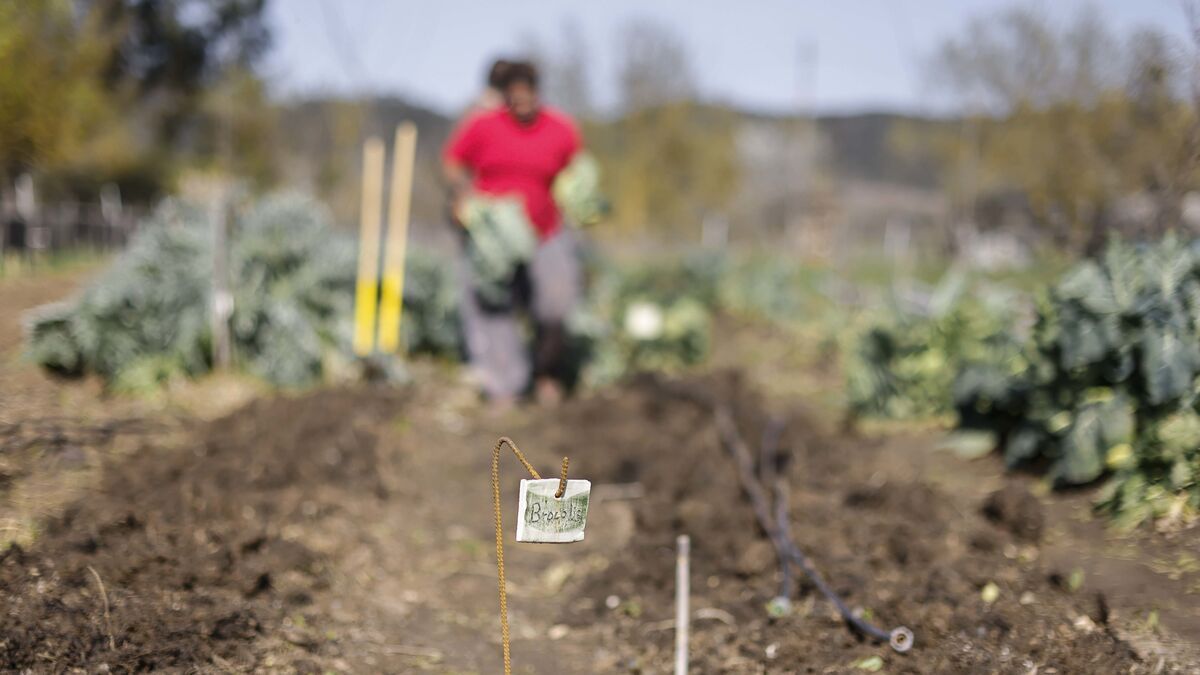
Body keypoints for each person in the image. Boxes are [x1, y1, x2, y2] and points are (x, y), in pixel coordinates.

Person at [443, 60, 583, 410]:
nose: (522, 101)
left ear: (537, 92)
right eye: (514, 94)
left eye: (528, 93)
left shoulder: (560, 128)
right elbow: (453, 162)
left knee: (556, 302)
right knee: (492, 306)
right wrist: (464, 196)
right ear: (505, 95)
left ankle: (546, 373)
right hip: (495, 239)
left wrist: (582, 199)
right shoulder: (483, 126)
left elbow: (579, 171)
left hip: (545, 232)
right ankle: (504, 386)